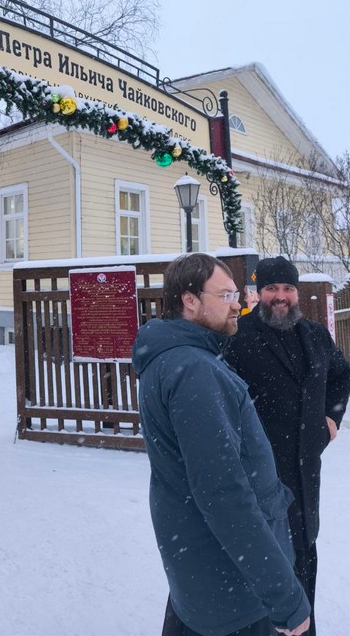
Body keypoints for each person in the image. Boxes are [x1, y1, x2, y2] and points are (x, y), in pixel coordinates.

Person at [132, 253, 311, 636]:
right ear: (190, 299)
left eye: (237, 294)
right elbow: (223, 494)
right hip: (233, 591)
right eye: (226, 295)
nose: (238, 304)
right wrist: (284, 597)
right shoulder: (195, 371)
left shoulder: (174, 359)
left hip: (204, 574)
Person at [226, 256, 350, 636]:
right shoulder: (238, 337)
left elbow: (341, 375)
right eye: (271, 288)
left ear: (297, 292)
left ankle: (305, 627)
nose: (280, 296)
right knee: (268, 565)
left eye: (288, 288)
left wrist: (331, 418)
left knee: (305, 555)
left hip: (306, 475)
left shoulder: (315, 334)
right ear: (257, 292)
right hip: (262, 479)